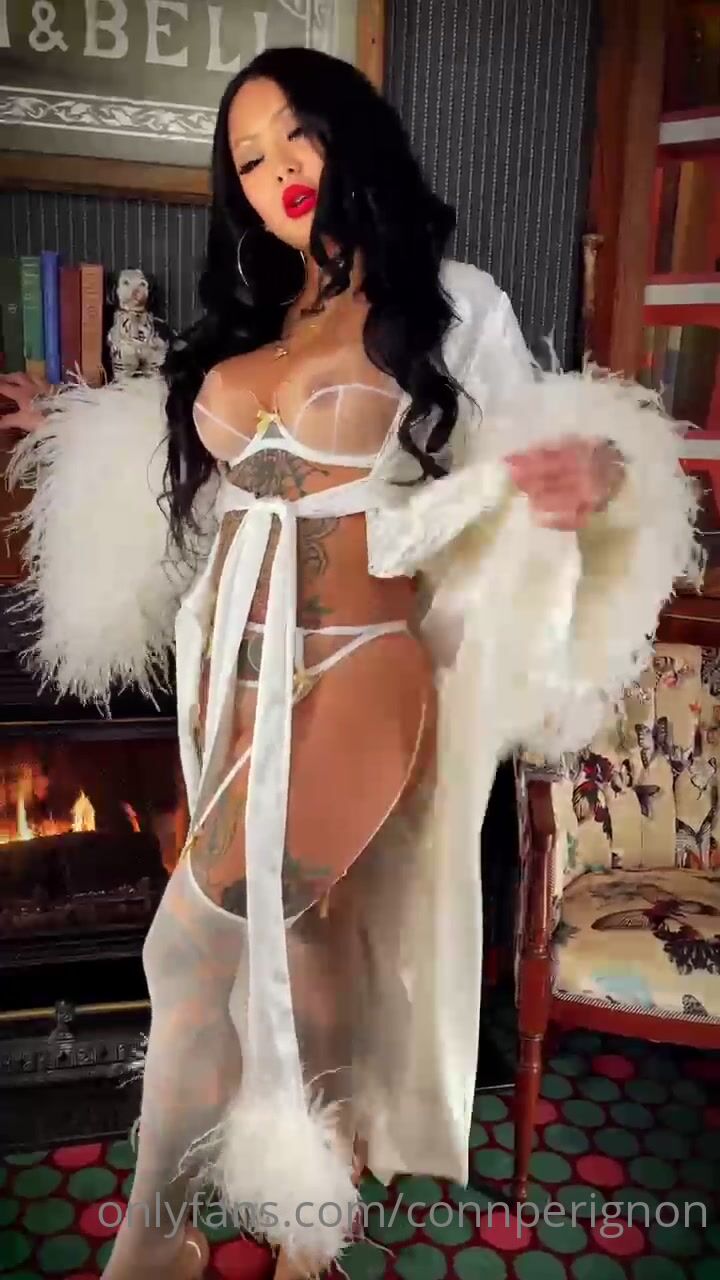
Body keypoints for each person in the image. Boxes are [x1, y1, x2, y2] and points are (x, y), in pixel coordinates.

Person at [0, 47, 697, 1280]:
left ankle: (152, 1242)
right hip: (238, 684)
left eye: (296, 134)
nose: (277, 170)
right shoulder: (256, 317)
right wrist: (76, 433)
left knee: (186, 946)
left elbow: (534, 446)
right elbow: (202, 508)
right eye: (248, 158)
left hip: (362, 672)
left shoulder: (448, 302)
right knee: (307, 943)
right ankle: (305, 1218)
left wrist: (594, 471)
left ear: (350, 133)